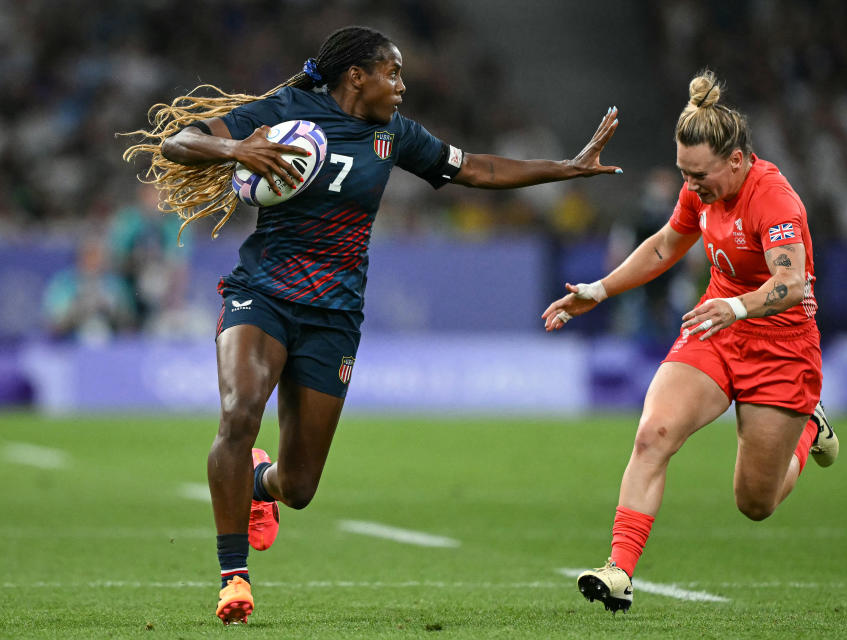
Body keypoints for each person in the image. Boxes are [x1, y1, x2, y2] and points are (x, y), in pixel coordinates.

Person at [122, 25, 621, 625]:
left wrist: (565, 169)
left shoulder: (395, 135)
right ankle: (233, 578)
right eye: (394, 74)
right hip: (263, 293)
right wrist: (235, 151)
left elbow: (477, 169)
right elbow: (180, 141)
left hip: (335, 313)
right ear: (357, 76)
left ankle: (259, 484)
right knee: (239, 412)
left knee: (299, 486)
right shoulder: (285, 109)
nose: (402, 87)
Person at [541, 69, 838, 614]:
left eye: (699, 174)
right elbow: (664, 245)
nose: (692, 185)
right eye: (684, 173)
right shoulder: (699, 189)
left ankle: (808, 429)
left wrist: (739, 305)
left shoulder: (775, 200)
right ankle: (619, 571)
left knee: (755, 502)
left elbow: (792, 284)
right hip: (715, 331)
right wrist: (599, 290)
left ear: (736, 160)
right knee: (654, 432)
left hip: (780, 347)